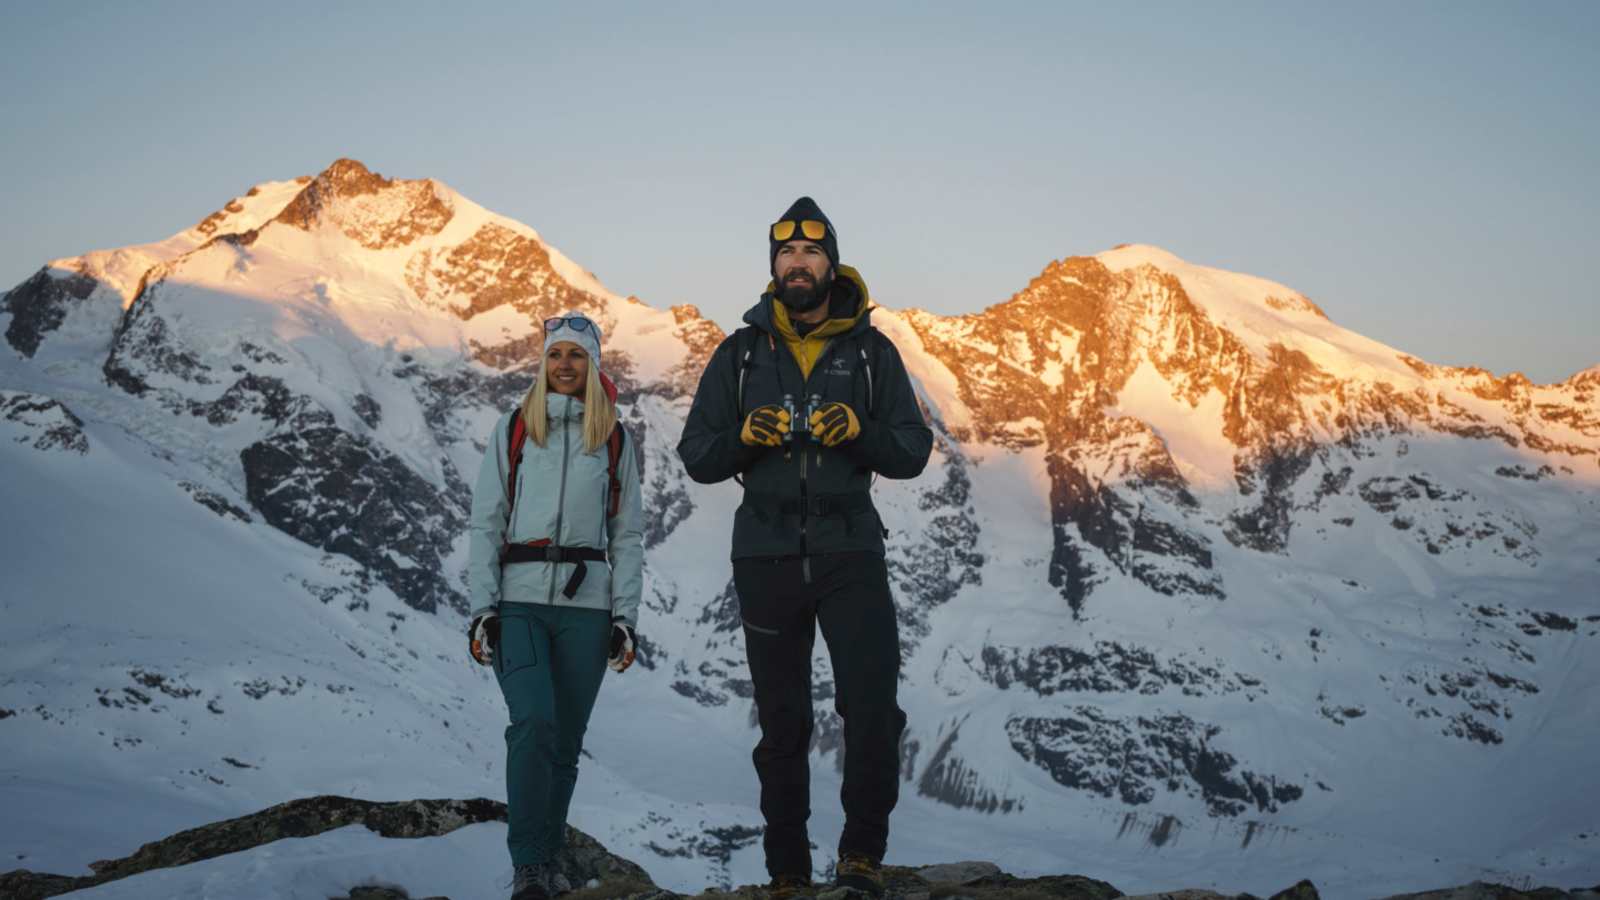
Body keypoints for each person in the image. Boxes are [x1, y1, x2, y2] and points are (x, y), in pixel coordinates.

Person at [676, 197, 933, 898]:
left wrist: (857, 429)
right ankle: (787, 872)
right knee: (784, 720)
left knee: (872, 708)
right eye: (786, 253)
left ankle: (860, 860)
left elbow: (911, 451)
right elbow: (697, 454)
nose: (798, 263)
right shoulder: (740, 354)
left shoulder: (873, 352)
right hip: (764, 552)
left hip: (850, 547)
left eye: (811, 252)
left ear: (832, 263)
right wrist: (746, 437)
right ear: (774, 267)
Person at [466, 311, 644, 900]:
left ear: (593, 366)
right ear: (541, 364)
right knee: (533, 722)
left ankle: (547, 860)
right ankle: (529, 862)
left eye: (576, 355)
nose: (564, 364)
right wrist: (482, 607)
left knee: (565, 742)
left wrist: (625, 619)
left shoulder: (613, 438)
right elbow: (487, 520)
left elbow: (627, 535)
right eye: (555, 355)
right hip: (518, 603)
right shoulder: (516, 428)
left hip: (587, 610)